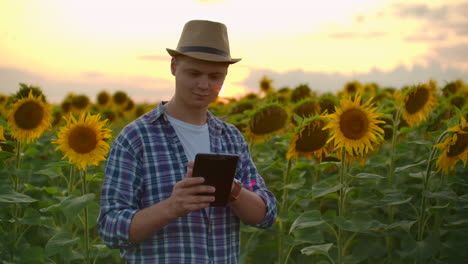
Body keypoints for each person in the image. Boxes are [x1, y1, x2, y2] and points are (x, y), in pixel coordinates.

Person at [98, 19, 277, 263]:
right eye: (194, 73)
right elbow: (110, 228)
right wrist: (172, 207)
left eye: (215, 76)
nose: (204, 85)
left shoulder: (231, 138)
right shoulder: (136, 138)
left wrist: (234, 190)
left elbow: (266, 214)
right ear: (174, 66)